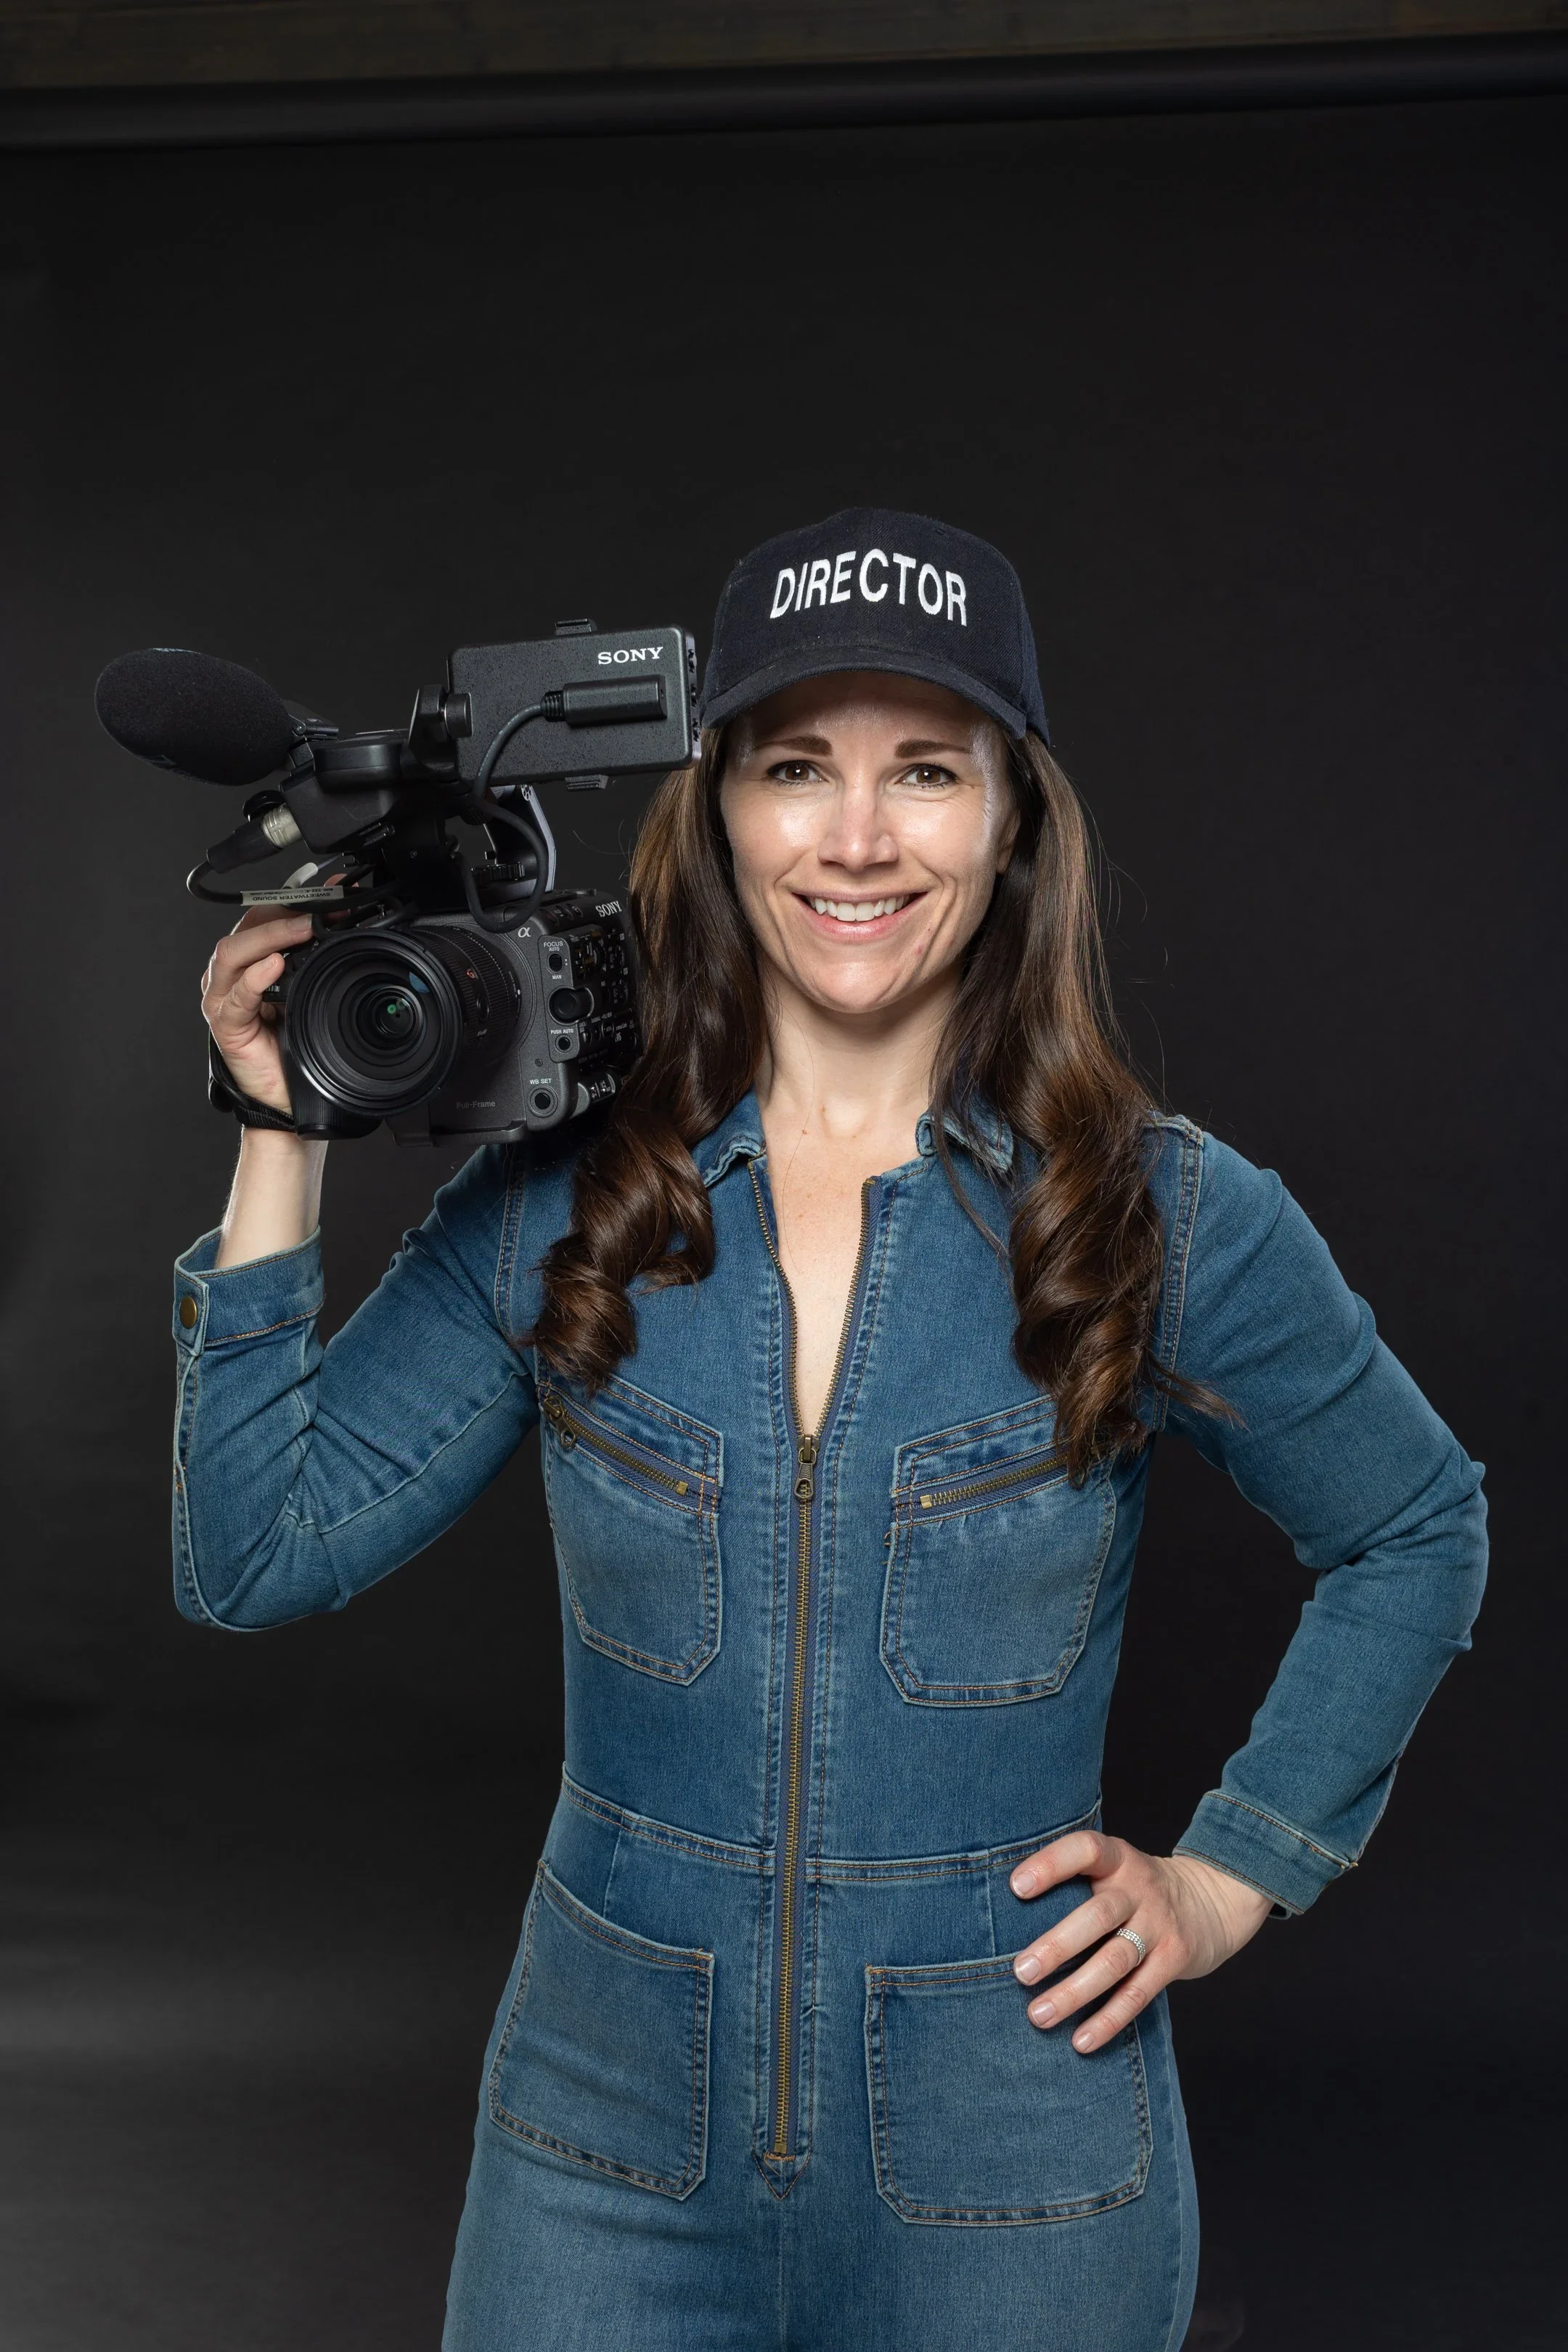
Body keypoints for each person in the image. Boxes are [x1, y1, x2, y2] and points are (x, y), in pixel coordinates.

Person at [171, 509, 1487, 2352]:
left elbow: (1415, 1525)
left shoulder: (1160, 1218)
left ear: (1014, 816)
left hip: (1016, 2163)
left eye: (924, 772)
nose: (856, 837)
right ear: (717, 810)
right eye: (799, 769)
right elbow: (253, 1551)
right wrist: (281, 1128)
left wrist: (1226, 1878)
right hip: (601, 2150)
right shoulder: (566, 1203)